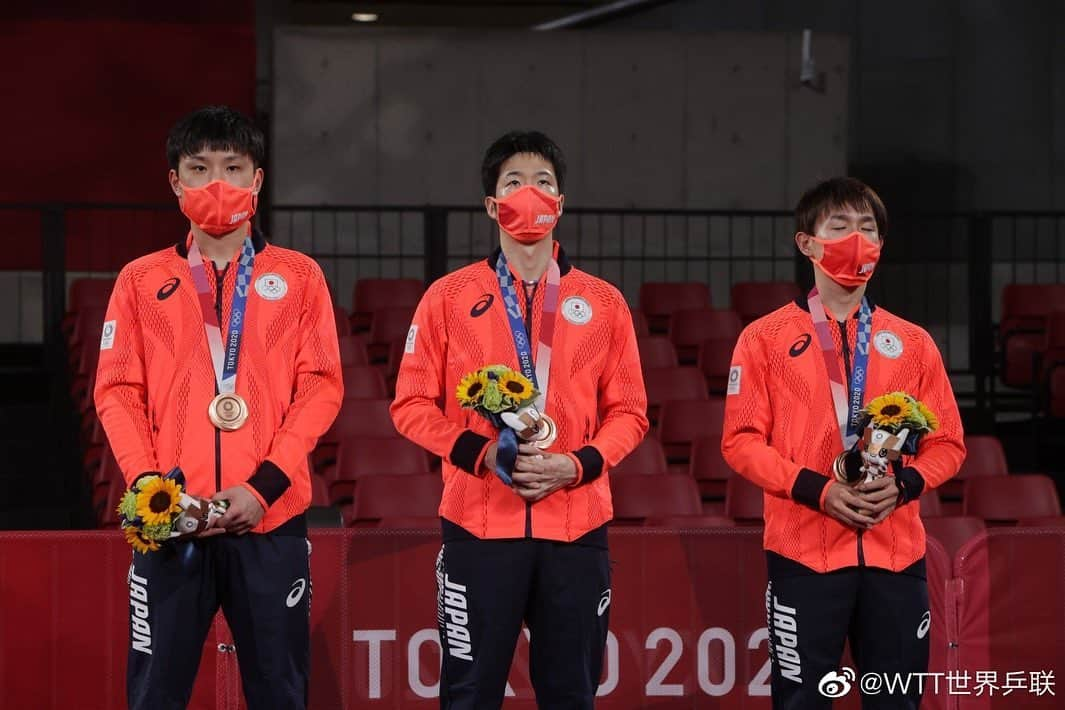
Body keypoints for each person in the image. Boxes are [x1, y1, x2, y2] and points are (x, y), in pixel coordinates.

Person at [95, 105, 343, 709]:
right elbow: (117, 392)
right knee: (156, 694)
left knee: (280, 693)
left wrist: (262, 487)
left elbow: (321, 388)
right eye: (200, 169)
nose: (218, 185)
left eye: (233, 168)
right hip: (171, 521)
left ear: (257, 180)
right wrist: (152, 488)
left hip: (269, 520)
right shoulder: (138, 280)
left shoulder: (300, 277)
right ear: (175, 182)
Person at [391, 130, 648, 709]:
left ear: (561, 203)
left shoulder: (604, 303)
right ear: (491, 205)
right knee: (468, 695)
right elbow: (409, 405)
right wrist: (479, 454)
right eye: (513, 182)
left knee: (572, 694)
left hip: (576, 527)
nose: (529, 193)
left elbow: (630, 413)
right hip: (478, 526)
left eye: (543, 183)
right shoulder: (447, 298)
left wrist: (576, 466)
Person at [721, 177, 965, 709]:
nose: (858, 238)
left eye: (869, 228)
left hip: (897, 557)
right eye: (840, 227)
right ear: (806, 243)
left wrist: (903, 486)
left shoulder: (914, 344)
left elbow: (948, 443)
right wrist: (816, 490)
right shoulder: (763, 339)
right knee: (801, 702)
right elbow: (740, 441)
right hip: (804, 555)